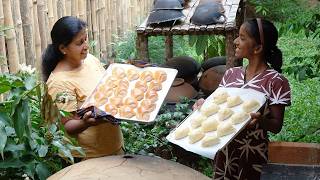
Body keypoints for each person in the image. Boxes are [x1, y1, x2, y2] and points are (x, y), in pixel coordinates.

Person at [193, 18, 291, 179]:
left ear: (258, 47)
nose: (236, 42)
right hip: (223, 151)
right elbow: (219, 109)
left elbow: (276, 126)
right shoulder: (232, 74)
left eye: (243, 38)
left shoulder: (276, 81)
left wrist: (260, 120)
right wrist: (203, 106)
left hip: (251, 153)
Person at [42, 16, 124, 159]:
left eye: (85, 39)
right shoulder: (59, 82)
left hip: (113, 147)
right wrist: (85, 123)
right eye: (80, 43)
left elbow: (106, 88)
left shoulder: (90, 60)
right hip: (88, 158)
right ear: (63, 48)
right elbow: (65, 128)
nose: (86, 45)